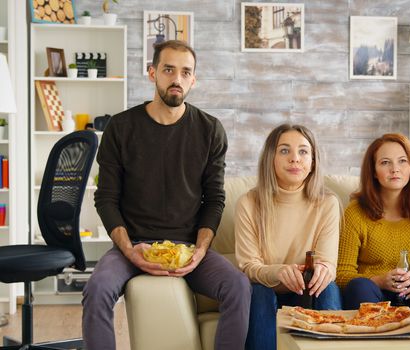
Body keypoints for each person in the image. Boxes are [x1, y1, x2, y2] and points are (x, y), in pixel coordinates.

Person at [83, 40, 251, 350]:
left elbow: (214, 199)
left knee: (238, 285)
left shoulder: (210, 130)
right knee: (98, 288)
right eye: (168, 70)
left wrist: (200, 251)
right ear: (152, 73)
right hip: (132, 246)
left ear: (193, 79)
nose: (177, 79)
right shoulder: (120, 128)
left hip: (188, 248)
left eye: (186, 72)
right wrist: (130, 249)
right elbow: (105, 198)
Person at [235, 124, 342, 350]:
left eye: (303, 151)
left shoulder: (328, 203)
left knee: (328, 287)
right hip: (265, 293)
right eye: (285, 151)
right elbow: (248, 266)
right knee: (258, 291)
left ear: (313, 162)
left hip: (306, 291)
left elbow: (328, 262)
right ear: (271, 159)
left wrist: (324, 271)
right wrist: (280, 271)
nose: (295, 159)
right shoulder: (248, 203)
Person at [337, 133, 410, 311]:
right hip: (373, 293)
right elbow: (341, 275)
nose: (395, 169)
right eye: (385, 162)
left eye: (402, 161)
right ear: (373, 171)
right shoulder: (355, 213)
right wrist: (379, 280)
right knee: (359, 287)